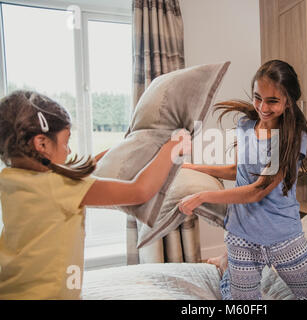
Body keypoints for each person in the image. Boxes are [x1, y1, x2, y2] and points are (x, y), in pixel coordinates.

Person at [0, 90, 190, 299]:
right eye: (66, 142)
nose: (69, 150)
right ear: (42, 143)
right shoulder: (61, 186)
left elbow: (80, 167)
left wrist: (125, 148)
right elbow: (140, 191)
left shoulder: (11, 177)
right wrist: (170, 148)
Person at [179, 60, 307, 300]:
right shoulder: (246, 126)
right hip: (241, 234)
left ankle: (226, 265)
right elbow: (239, 170)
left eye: (272, 101)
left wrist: (202, 197)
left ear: (288, 101)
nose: (263, 107)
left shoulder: (291, 138)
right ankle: (229, 267)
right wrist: (192, 167)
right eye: (257, 97)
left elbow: (257, 190)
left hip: (283, 237)